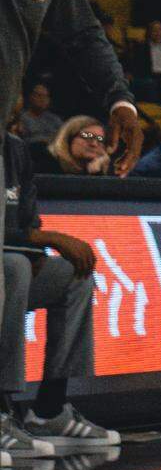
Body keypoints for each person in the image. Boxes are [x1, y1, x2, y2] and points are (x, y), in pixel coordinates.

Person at [0, 0, 138, 470]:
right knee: (11, 274)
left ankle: (45, 410)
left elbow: (82, 35)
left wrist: (118, 97)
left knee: (34, 270)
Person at [1, 133, 120, 453]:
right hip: (7, 263)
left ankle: (49, 410)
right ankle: (2, 411)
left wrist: (35, 249)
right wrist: (42, 240)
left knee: (72, 273)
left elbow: (27, 215)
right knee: (13, 267)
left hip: (12, 256)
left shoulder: (16, 147)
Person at [35, 115, 112, 176]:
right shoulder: (45, 163)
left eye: (100, 139)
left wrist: (98, 173)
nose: (94, 144)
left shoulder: (103, 168)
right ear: (68, 138)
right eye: (87, 136)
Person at [16, 82, 62, 148]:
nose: (42, 99)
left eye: (46, 96)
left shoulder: (54, 119)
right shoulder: (21, 118)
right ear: (31, 97)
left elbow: (64, 136)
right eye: (39, 95)